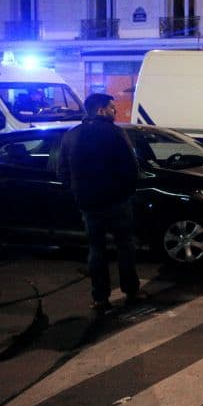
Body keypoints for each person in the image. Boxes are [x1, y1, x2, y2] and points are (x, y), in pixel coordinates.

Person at [57, 93, 145, 312]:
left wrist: (77, 192)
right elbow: (131, 167)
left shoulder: (72, 135)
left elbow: (62, 171)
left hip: (88, 202)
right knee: (125, 246)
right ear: (101, 110)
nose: (115, 111)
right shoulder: (116, 133)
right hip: (116, 200)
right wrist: (127, 192)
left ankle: (100, 297)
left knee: (96, 249)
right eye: (112, 107)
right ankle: (131, 290)